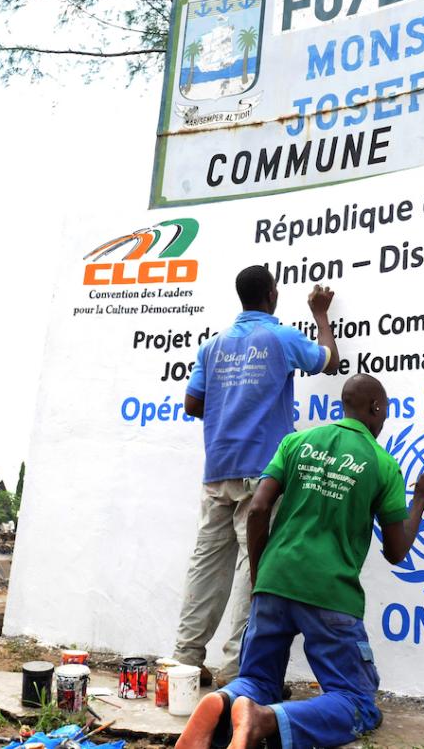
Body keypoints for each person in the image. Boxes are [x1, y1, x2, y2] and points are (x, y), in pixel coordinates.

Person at [176, 374, 424, 749]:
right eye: (384, 412)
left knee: (258, 680)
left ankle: (225, 702)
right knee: (358, 703)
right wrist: (421, 500)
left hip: (273, 582)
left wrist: (259, 576)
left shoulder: (295, 442)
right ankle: (263, 720)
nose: (384, 420)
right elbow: (397, 552)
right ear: (375, 408)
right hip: (329, 594)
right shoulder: (382, 464)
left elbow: (258, 509)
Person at [174, 265, 341, 687]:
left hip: (218, 470)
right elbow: (328, 360)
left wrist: (230, 398)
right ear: (271, 294)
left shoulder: (212, 346)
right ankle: (237, 669)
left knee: (206, 566)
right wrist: (321, 315)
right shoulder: (280, 338)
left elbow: (193, 403)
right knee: (254, 569)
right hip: (262, 474)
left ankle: (185, 662)